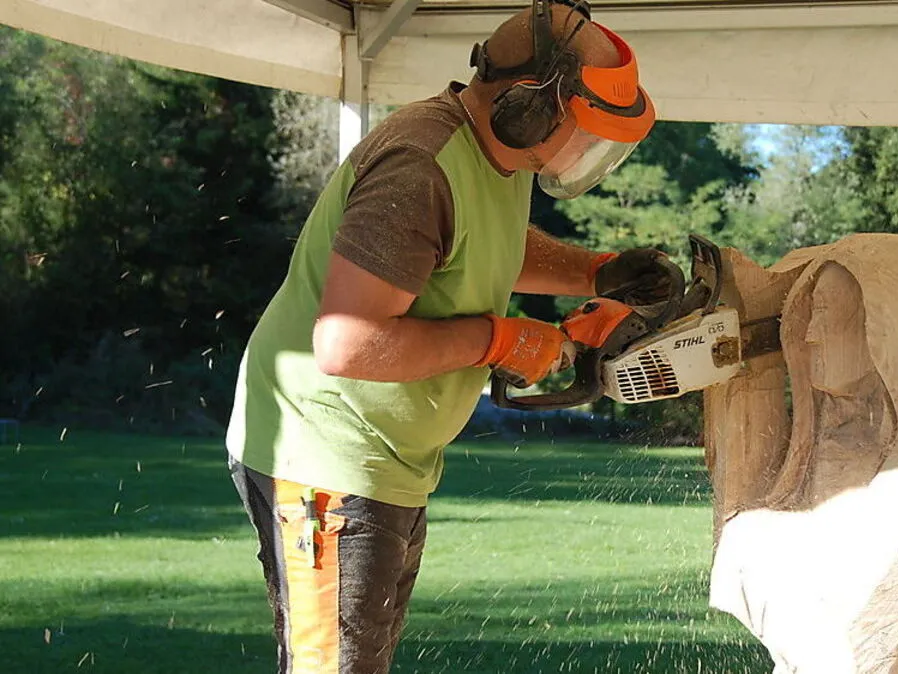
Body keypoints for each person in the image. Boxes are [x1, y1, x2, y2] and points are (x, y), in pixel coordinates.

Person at [224, 0, 676, 670]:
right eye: (583, 129)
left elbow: (487, 244)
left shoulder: (497, 160)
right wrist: (500, 341)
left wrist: (597, 272)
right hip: (322, 452)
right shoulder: (419, 165)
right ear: (531, 106)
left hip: (388, 458)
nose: (588, 149)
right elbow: (345, 346)